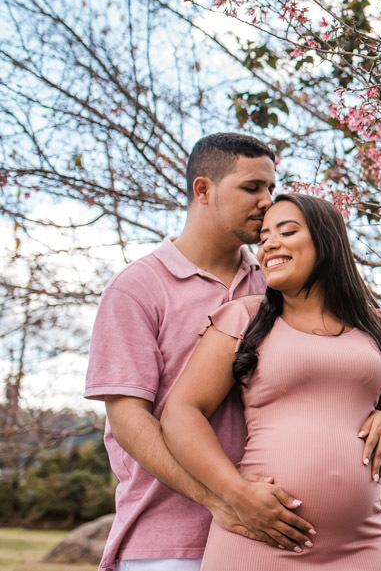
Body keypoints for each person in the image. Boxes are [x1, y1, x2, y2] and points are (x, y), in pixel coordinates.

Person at [85, 133, 316, 571]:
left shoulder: (276, 286)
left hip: (273, 533)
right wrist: (224, 499)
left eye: (271, 187)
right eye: (252, 187)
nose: (268, 201)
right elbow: (129, 420)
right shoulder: (137, 289)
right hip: (169, 543)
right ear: (203, 190)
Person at [161, 193, 381, 570]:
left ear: (326, 240)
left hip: (363, 544)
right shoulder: (244, 319)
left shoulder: (379, 327)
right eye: (264, 236)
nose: (269, 244)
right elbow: (181, 413)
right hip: (260, 539)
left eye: (286, 231)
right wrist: (235, 493)